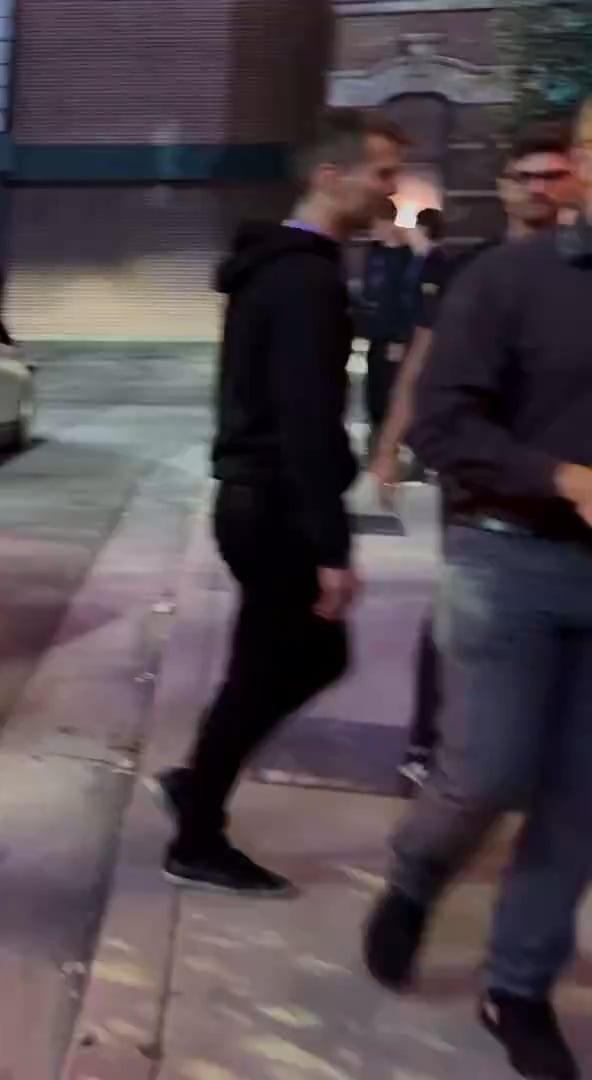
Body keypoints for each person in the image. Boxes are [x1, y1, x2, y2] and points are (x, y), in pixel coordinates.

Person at [363, 99, 592, 1080]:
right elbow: (441, 426)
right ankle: (418, 874)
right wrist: (561, 477)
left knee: (582, 799)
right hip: (508, 558)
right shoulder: (506, 279)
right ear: (585, 166)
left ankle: (518, 986)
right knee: (488, 772)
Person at [146, 108, 402, 896]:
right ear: (331, 176)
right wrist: (332, 547)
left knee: (271, 664)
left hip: (254, 500)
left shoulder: (281, 269)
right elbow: (305, 421)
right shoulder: (305, 281)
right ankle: (197, 833)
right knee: (298, 660)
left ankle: (197, 787)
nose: (390, 191)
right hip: (276, 507)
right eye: (381, 174)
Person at [370, 123, 581, 789]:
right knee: (463, 613)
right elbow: (423, 367)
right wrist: (388, 448)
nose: (539, 189)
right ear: (503, 186)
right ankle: (431, 746)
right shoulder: (472, 269)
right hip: (486, 488)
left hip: (573, 506)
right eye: (526, 176)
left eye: (553, 175)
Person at [356, 201, 418, 454]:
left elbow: (408, 299)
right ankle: (377, 439)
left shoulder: (407, 257)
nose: (373, 231)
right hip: (376, 333)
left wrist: (400, 337)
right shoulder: (375, 253)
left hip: (395, 335)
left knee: (393, 388)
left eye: (376, 225)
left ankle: (395, 443)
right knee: (374, 389)